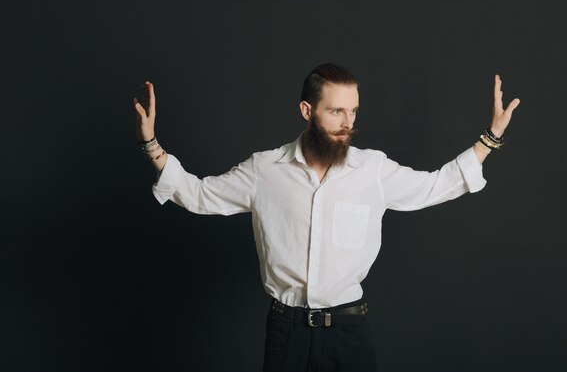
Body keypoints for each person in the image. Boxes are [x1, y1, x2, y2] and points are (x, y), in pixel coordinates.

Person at [133, 63, 520, 372]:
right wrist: (152, 145)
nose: (347, 123)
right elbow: (199, 194)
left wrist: (490, 138)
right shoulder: (265, 170)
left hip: (349, 333)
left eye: (352, 111)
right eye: (336, 111)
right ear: (307, 110)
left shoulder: (373, 170)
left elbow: (437, 185)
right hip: (286, 333)